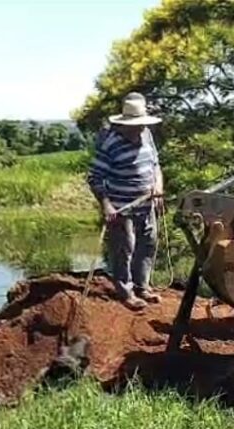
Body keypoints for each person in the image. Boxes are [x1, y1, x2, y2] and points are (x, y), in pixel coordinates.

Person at [87, 92, 164, 310]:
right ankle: (126, 291)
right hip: (122, 207)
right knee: (124, 248)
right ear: (123, 125)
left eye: (141, 125)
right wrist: (106, 204)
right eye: (135, 126)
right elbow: (94, 177)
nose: (139, 129)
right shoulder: (110, 142)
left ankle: (143, 286)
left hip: (146, 204)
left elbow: (155, 165)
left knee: (147, 245)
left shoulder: (147, 134)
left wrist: (158, 186)